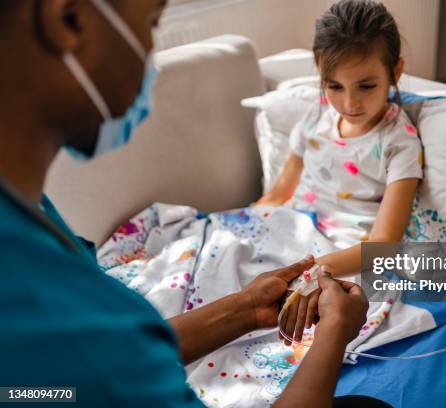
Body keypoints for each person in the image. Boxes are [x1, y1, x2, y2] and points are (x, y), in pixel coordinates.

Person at [0, 1, 389, 406]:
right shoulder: (34, 300)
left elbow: (77, 379)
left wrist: (245, 309)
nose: (151, 52)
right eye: (152, 22)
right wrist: (334, 332)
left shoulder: (33, 219)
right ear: (68, 18)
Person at [255, 0, 422, 343]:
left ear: (396, 72)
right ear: (320, 74)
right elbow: (279, 192)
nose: (349, 104)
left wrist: (315, 270)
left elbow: (384, 246)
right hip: (296, 232)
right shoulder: (316, 116)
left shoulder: (399, 143)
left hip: (349, 257)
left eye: (366, 86)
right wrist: (243, 221)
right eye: (334, 86)